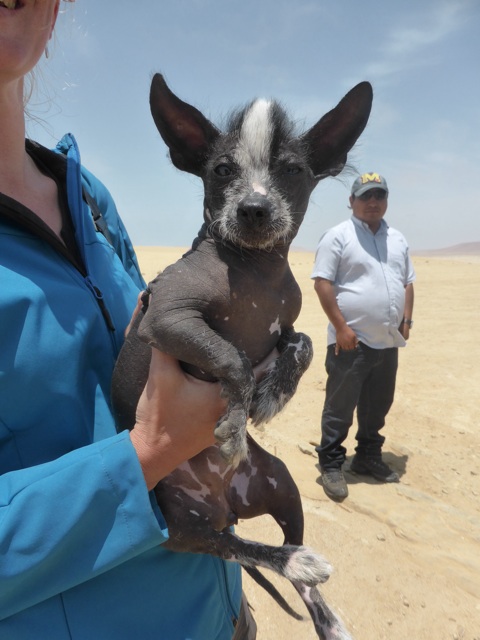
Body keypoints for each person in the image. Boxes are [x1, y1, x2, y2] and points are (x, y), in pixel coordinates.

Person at [0, 2, 260, 637]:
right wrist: (145, 454)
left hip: (217, 610)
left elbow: (151, 361)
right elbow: (154, 434)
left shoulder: (86, 194)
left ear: (53, 12)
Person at [311, 172, 415, 501]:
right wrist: (341, 327)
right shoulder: (338, 236)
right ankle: (331, 463)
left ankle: (368, 457)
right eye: (366, 196)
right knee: (340, 405)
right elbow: (322, 283)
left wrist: (406, 319)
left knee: (377, 405)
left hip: (387, 340)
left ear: (386, 201)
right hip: (351, 341)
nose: (373, 202)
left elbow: (407, 281)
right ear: (351, 201)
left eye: (379, 196)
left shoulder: (397, 239)